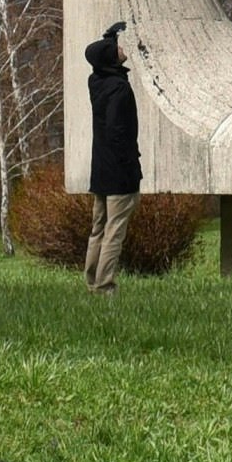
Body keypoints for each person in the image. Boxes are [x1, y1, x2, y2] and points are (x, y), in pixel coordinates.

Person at [83, 21, 142, 294]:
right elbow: (119, 132)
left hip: (101, 169)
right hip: (119, 171)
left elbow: (103, 58)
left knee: (98, 229)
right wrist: (132, 166)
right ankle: (105, 286)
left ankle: (93, 280)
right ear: (110, 59)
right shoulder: (119, 89)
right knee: (114, 231)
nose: (120, 49)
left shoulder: (97, 81)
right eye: (115, 48)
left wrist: (110, 34)